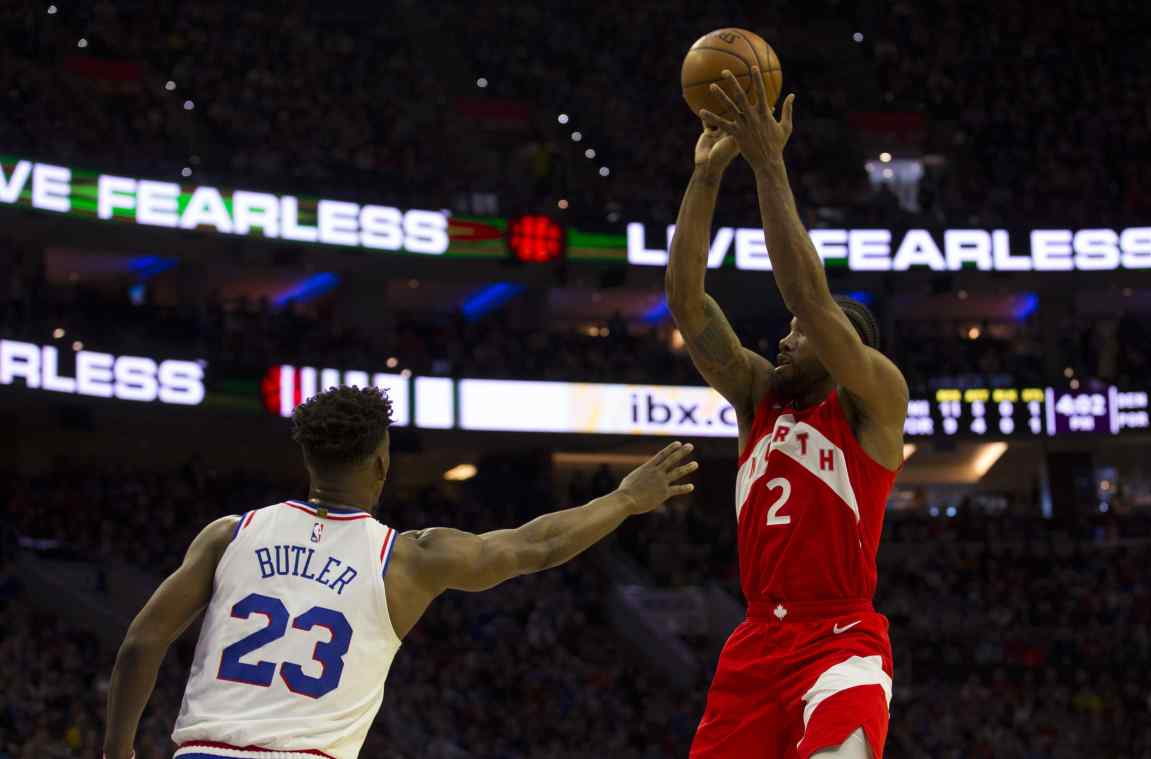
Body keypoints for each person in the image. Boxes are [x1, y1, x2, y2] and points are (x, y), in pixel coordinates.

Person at [102, 385, 699, 759]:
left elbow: (140, 644)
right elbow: (535, 546)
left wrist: (118, 751)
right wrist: (623, 499)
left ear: (307, 457)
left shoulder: (230, 534)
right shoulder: (407, 558)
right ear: (383, 464)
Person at [668, 66, 909, 759]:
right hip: (756, 643)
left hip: (840, 639)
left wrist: (770, 163)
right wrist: (707, 175)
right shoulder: (758, 397)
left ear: (842, 349)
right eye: (785, 328)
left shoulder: (874, 402)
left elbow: (809, 298)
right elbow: (688, 302)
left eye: (800, 332)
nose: (783, 335)